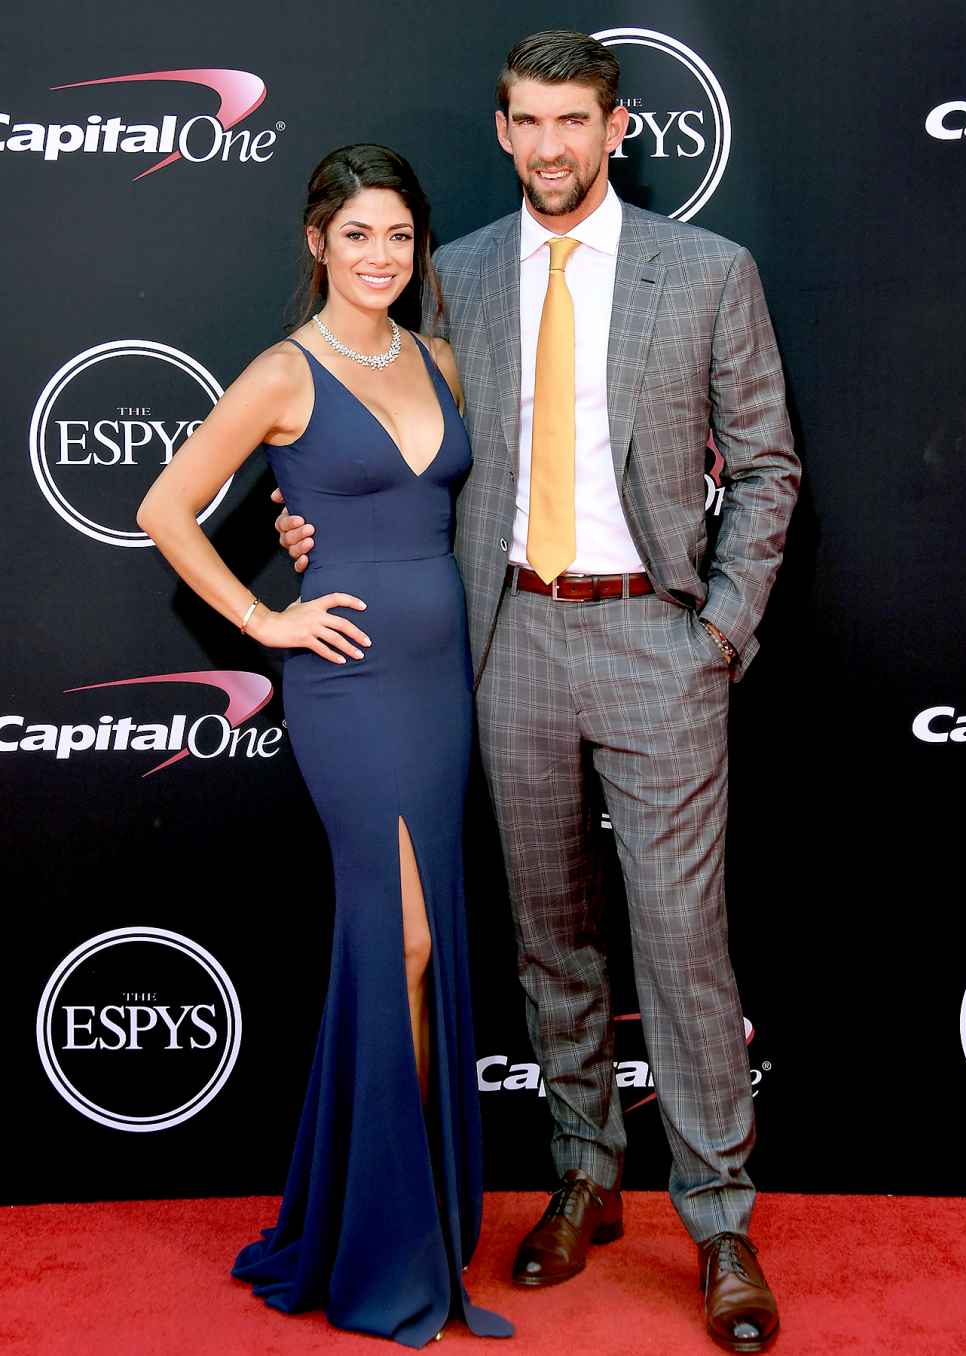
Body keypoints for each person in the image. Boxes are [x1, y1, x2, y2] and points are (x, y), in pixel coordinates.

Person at [277, 30, 800, 1353]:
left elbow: (769, 466)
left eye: (577, 120)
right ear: (504, 133)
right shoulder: (453, 279)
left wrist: (721, 633)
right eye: (529, 122)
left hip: (653, 642)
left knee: (681, 941)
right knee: (548, 931)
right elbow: (400, 441)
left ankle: (721, 1220)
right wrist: (312, 535)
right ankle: (583, 1170)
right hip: (502, 642)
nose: (553, 146)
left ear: (615, 125)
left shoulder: (709, 272)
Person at [136, 143, 513, 1348]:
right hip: (345, 686)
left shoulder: (440, 357)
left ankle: (399, 1219)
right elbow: (163, 506)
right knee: (396, 936)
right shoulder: (282, 374)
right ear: (318, 243)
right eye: (357, 235)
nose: (380, 257)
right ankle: (383, 1245)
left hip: (442, 683)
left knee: (429, 940)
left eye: (399, 237)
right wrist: (263, 616)